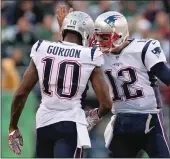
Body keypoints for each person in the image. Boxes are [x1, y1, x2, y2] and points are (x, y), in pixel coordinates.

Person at [57, 7, 170, 158]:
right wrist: (64, 28)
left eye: (104, 37)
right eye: (97, 37)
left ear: (120, 35)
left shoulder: (144, 49)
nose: (99, 41)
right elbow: (68, 52)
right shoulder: (98, 55)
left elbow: (166, 76)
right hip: (121, 121)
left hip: (149, 120)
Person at [8, 11, 112, 158]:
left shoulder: (41, 47)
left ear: (63, 30)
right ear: (86, 34)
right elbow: (107, 103)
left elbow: (21, 93)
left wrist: (13, 126)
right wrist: (94, 117)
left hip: (43, 123)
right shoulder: (90, 55)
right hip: (71, 124)